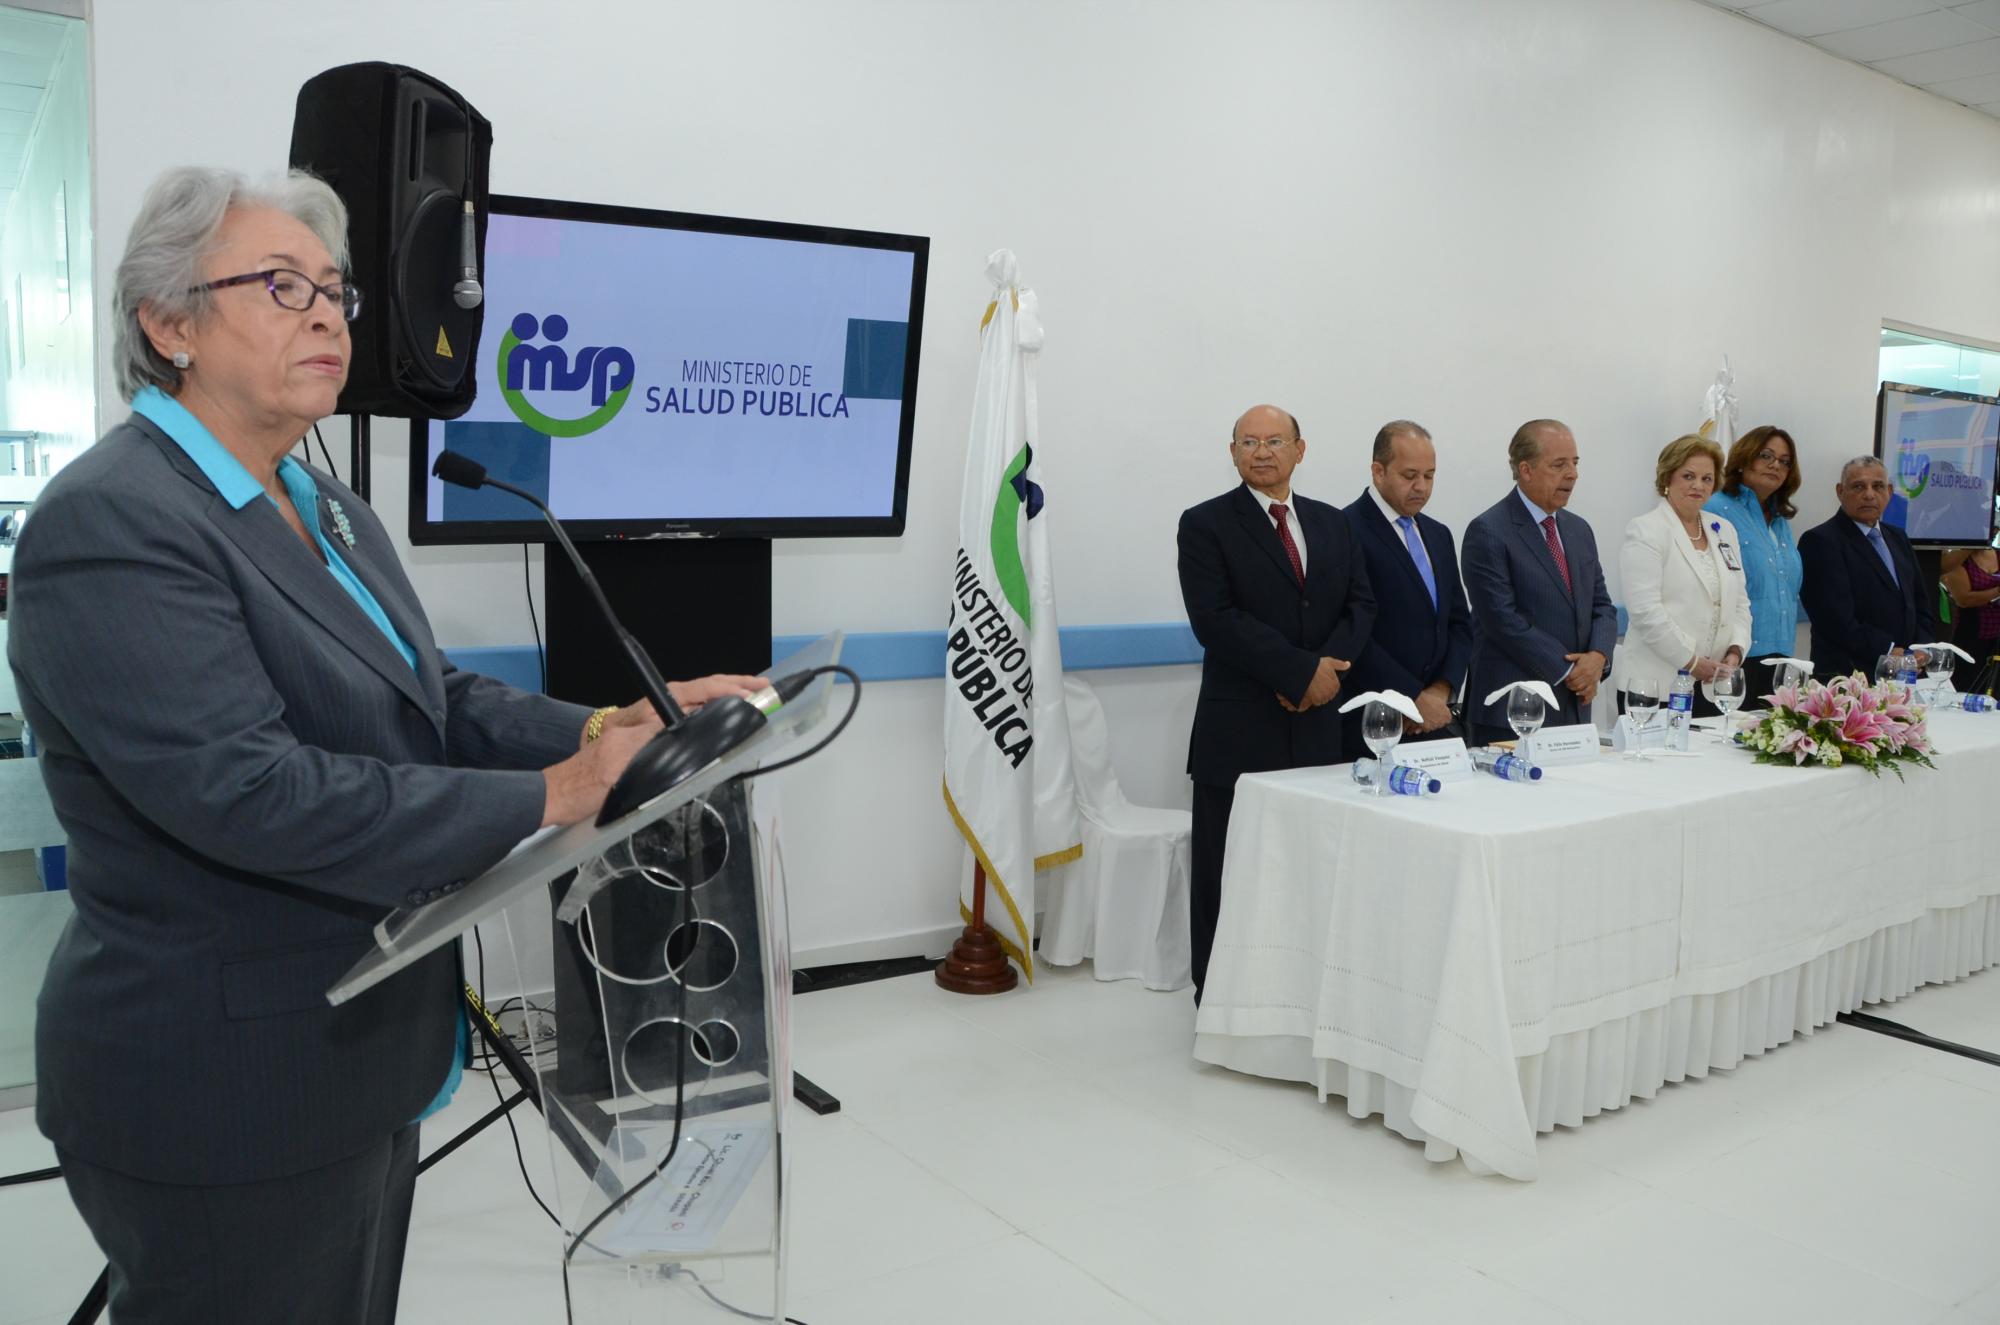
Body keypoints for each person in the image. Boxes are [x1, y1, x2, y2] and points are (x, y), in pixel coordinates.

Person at [5, 167, 761, 1325]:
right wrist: (558, 791)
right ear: (168, 325)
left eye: (334, 291)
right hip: (223, 1081)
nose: (325, 313)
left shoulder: (325, 503)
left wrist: (620, 726)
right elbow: (248, 792)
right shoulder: (111, 521)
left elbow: (436, 696)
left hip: (362, 1050)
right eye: (278, 285)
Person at [1178, 404, 1375, 1003]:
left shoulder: (1333, 524)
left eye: (1274, 441)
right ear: (1232, 452)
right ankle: (1217, 992)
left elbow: (1360, 606)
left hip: (1318, 727)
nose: (1261, 452)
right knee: (1227, 867)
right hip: (1240, 729)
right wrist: (1299, 672)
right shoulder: (1205, 524)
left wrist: (1327, 672)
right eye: (1248, 442)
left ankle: (1301, 987)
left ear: (1300, 449)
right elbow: (1215, 620)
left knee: (1310, 867)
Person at [1462, 419, 1618, 744]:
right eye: (1559, 465)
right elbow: (1503, 621)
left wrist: (1598, 658)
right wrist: (1570, 671)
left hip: (1575, 708)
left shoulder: (1579, 530)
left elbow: (1601, 605)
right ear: (1526, 470)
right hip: (1513, 710)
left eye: (1575, 463)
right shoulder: (1488, 531)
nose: (1572, 474)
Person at [1340, 420, 1472, 747]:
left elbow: (1458, 622)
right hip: (1373, 720)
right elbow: (1351, 631)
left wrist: (1441, 691)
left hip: (1435, 718)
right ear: (1378, 471)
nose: (1421, 487)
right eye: (1409, 476)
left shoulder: (1438, 534)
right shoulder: (1344, 530)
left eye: (1429, 476)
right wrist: (1410, 696)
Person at [1615, 434, 1752, 718]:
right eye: (1688, 476)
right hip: (1656, 687)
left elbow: (1740, 602)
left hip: (1714, 686)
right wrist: (1692, 662)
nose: (1698, 485)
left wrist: (1736, 650)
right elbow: (1645, 612)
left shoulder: (1723, 529)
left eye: (1707, 478)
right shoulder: (1646, 530)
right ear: (1667, 478)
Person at [1798, 455, 1937, 680]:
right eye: (1858, 486)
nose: (1869, 494)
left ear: (1889, 492)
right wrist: (1890, 650)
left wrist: (1923, 648)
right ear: (1840, 491)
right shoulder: (1820, 541)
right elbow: (1834, 620)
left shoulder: (1898, 537)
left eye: (1878, 486)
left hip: (1907, 674)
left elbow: (1920, 602)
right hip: (1848, 677)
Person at [1703, 425, 1804, 703]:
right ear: (1744, 458)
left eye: (1785, 461)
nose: (1776, 465)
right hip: (1734, 656)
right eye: (1766, 456)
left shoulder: (1780, 520)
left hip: (1781, 656)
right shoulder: (1716, 509)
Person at [1941, 544, 2000, 668]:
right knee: (1968, 679)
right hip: (1971, 632)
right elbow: (1964, 599)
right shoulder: (1956, 561)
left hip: (1996, 634)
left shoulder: (1997, 554)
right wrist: (1997, 591)